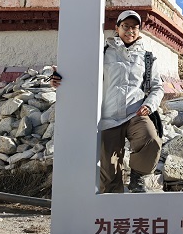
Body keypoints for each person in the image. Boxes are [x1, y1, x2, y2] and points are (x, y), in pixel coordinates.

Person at [51, 10, 164, 193]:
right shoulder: (102, 53)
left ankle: (138, 177)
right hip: (108, 117)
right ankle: (113, 205)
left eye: (135, 27)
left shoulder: (147, 57)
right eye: (125, 26)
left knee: (151, 140)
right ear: (117, 28)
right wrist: (60, 79)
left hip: (135, 113)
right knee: (109, 173)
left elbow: (158, 87)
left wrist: (149, 105)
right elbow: (82, 76)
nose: (130, 31)